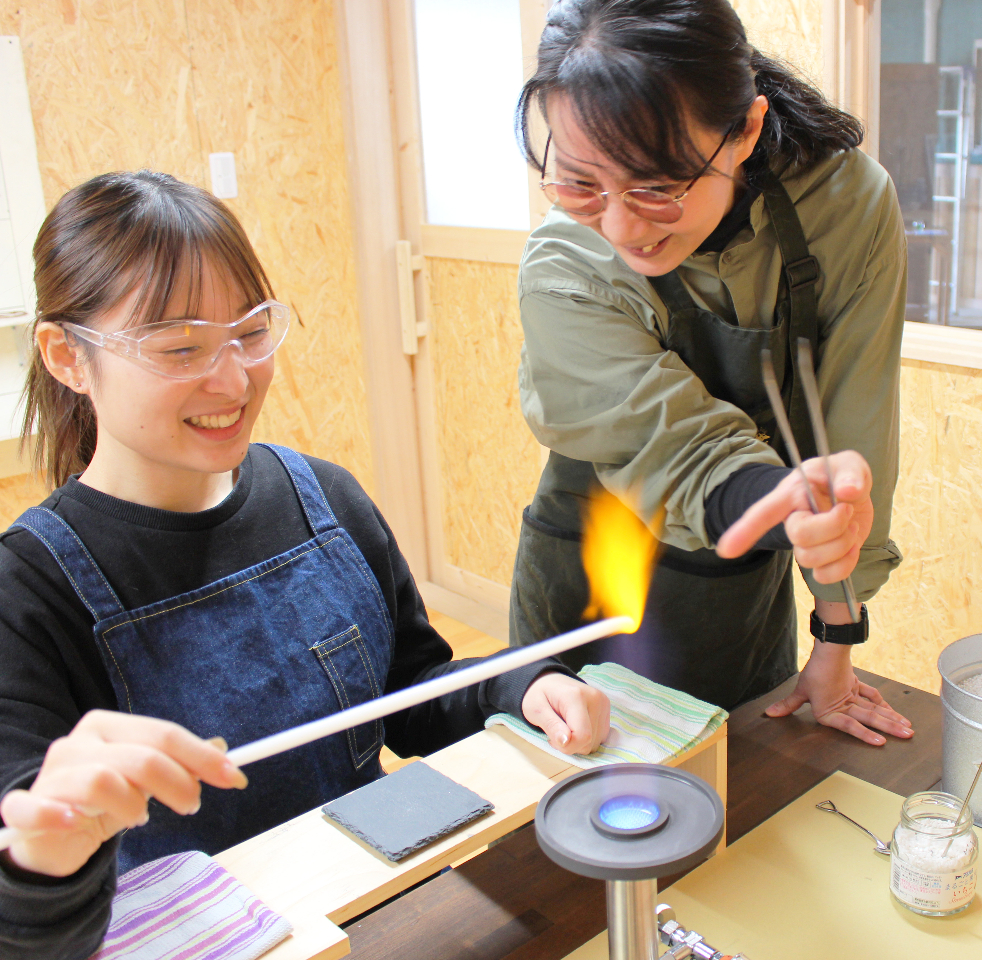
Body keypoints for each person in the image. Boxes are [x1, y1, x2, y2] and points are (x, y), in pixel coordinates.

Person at [0, 171, 609, 959]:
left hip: (385, 919)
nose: (231, 380)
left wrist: (521, 686)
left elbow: (411, 694)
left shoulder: (323, 497)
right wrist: (45, 858)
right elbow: (26, 919)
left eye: (250, 333)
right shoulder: (28, 593)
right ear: (66, 356)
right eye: (180, 347)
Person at [510, 0, 913, 744]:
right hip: (586, 573)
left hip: (741, 585)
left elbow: (854, 432)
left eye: (657, 186)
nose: (622, 226)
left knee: (745, 807)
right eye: (578, 182)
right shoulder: (566, 261)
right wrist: (784, 503)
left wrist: (837, 636)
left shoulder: (846, 208)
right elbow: (674, 445)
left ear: (747, 130)